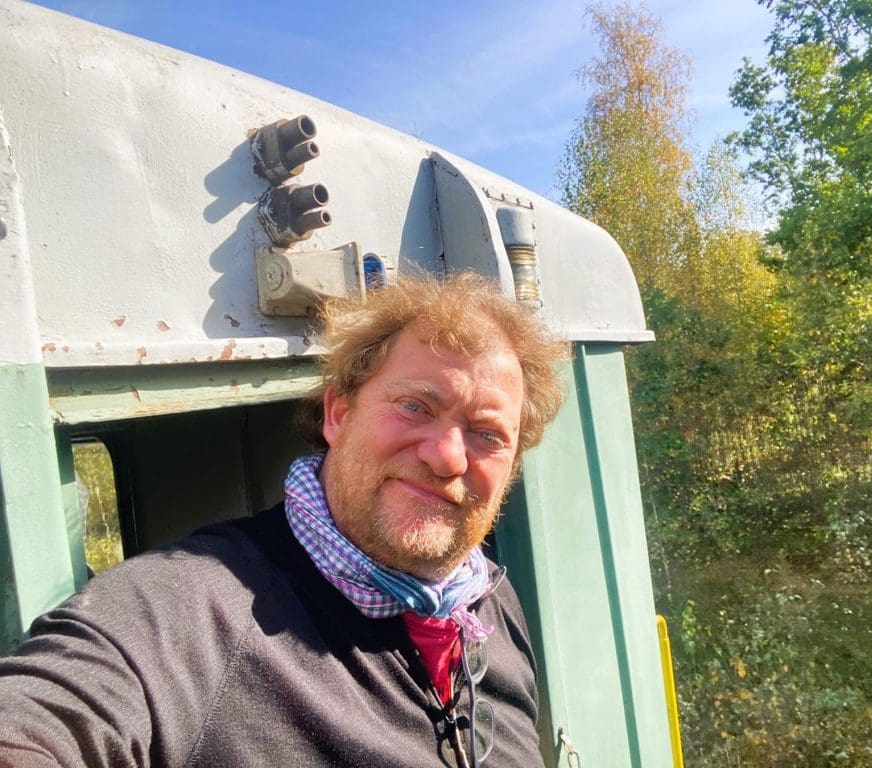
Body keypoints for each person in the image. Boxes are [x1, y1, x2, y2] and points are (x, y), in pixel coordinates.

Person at [0, 273, 570, 768]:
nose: (448, 456)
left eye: (488, 434)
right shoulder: (192, 611)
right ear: (338, 413)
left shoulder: (488, 602)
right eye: (415, 406)